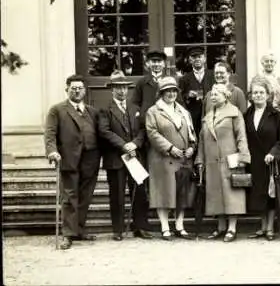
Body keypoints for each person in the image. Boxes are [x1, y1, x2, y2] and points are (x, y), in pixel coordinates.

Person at [44, 74, 101, 250]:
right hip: (69, 158)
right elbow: (50, 133)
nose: (77, 91)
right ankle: (68, 234)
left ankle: (79, 230)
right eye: (73, 88)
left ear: (85, 90)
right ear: (67, 89)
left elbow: (102, 134)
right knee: (69, 197)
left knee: (85, 196)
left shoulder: (92, 111)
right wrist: (52, 151)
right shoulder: (57, 110)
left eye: (80, 88)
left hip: (91, 159)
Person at [98, 70, 152, 241]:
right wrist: (124, 145)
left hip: (135, 156)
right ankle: (118, 229)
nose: (121, 91)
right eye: (118, 88)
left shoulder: (135, 108)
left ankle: (140, 227)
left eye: (124, 88)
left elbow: (144, 130)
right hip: (116, 158)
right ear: (112, 89)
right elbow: (104, 131)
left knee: (140, 192)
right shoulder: (105, 109)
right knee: (117, 194)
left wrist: (135, 143)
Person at [195, 83, 251, 242]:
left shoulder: (234, 113)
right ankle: (220, 227)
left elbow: (241, 136)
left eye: (216, 94)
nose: (213, 97)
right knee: (215, 194)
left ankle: (232, 228)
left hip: (230, 159)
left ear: (225, 96)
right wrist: (200, 160)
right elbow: (201, 141)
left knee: (231, 194)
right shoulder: (207, 117)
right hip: (212, 162)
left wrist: (243, 156)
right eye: (211, 94)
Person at [145, 77, 197, 240]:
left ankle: (180, 226)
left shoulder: (184, 112)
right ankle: (165, 227)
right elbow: (152, 133)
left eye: (174, 90)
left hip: (182, 159)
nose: (171, 94)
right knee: (163, 192)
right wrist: (170, 148)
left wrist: (191, 148)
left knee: (181, 193)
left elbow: (192, 134)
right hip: (163, 158)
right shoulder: (153, 111)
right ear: (161, 93)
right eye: (167, 91)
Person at [244, 76, 280, 241]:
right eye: (255, 92)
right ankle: (262, 227)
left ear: (268, 95)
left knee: (271, 195)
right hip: (255, 161)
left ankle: (270, 228)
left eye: (262, 92)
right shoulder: (247, 114)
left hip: (271, 161)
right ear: (251, 95)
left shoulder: (276, 115)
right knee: (259, 194)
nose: (258, 95)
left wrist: (273, 153)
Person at [178, 46, 216, 136]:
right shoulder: (184, 79)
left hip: (211, 114)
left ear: (204, 59)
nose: (197, 59)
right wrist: (188, 95)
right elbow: (179, 98)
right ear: (190, 60)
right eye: (194, 57)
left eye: (199, 57)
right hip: (192, 116)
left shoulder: (213, 75)